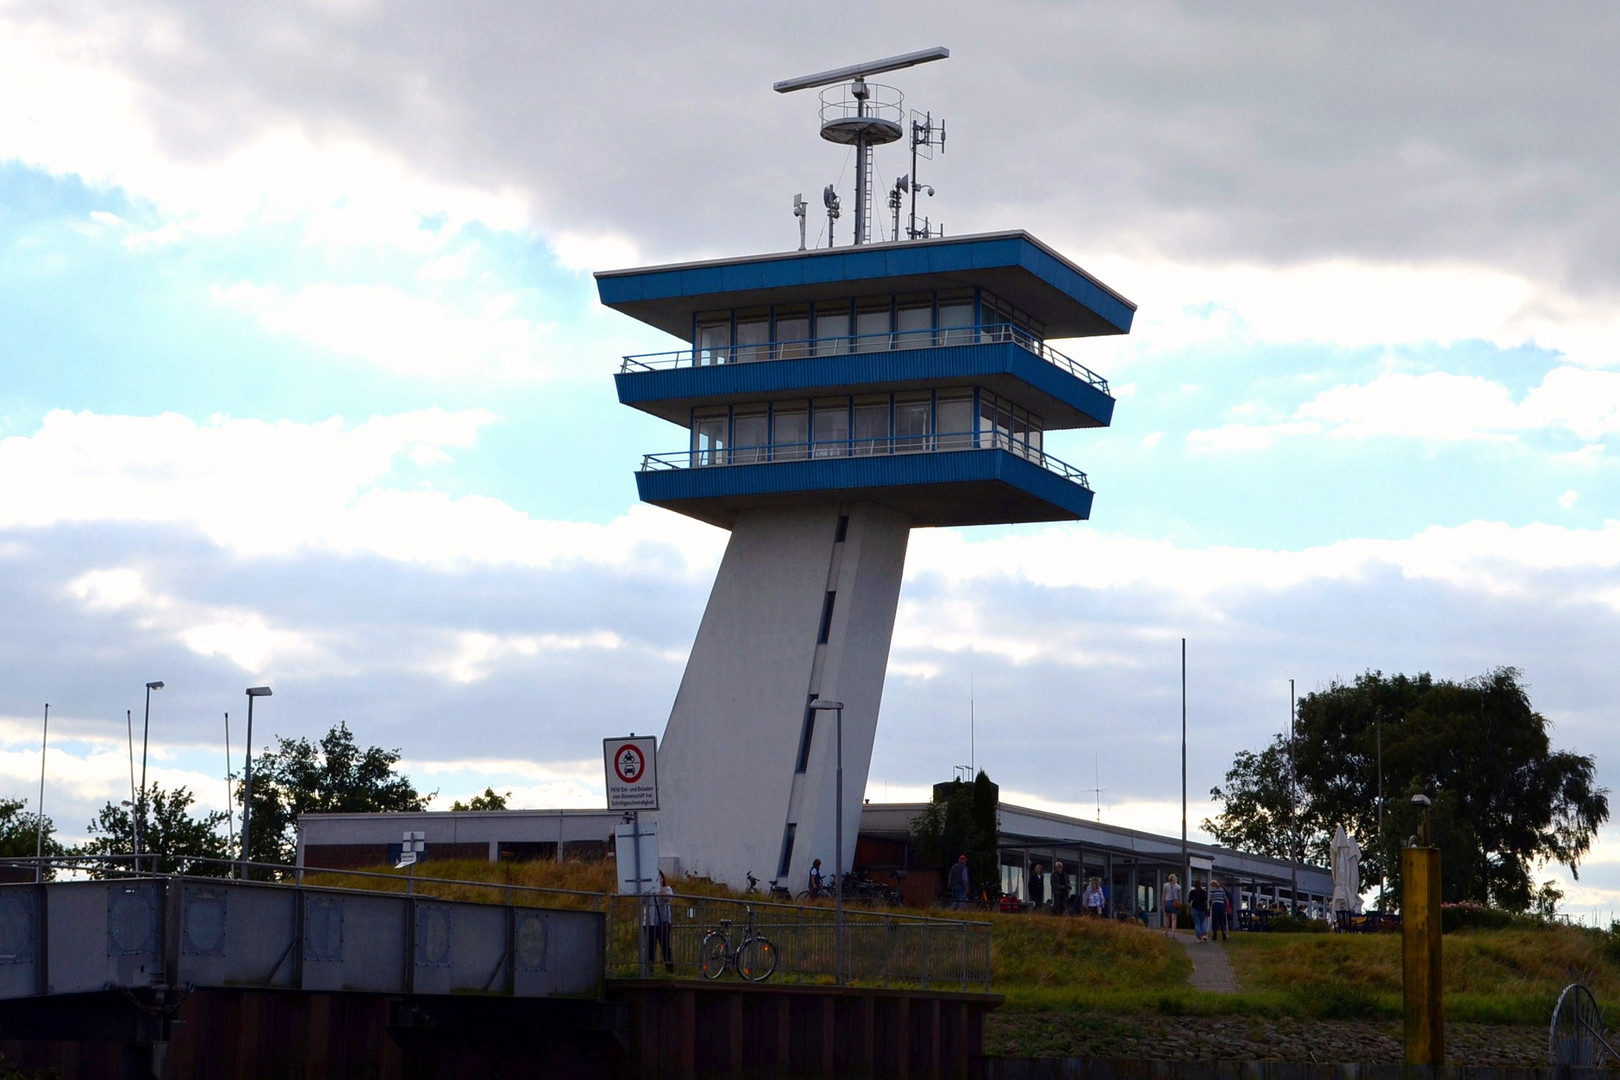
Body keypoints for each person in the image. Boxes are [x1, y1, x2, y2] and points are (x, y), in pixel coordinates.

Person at [644, 870, 675, 972]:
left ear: (662, 879)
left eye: (659, 877)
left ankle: (669, 969)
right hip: (650, 922)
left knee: (665, 947)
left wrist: (659, 887)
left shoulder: (667, 889)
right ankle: (649, 969)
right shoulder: (648, 891)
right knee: (650, 948)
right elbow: (642, 901)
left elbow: (667, 898)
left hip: (663, 923)